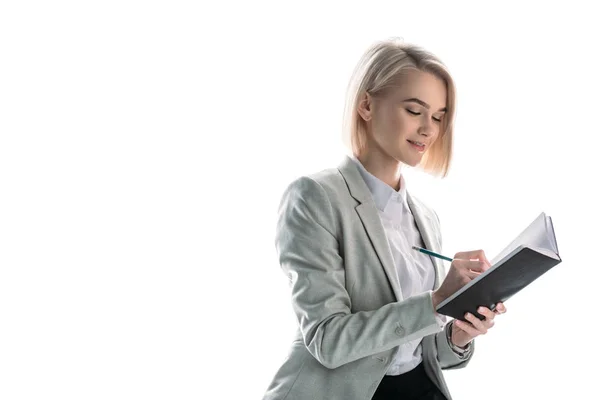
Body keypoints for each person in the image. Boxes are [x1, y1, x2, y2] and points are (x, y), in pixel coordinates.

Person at [262, 38, 507, 400]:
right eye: (414, 110)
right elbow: (327, 340)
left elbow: (411, 351)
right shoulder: (315, 197)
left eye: (439, 117)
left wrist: (458, 332)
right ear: (366, 105)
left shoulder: (426, 218)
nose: (429, 129)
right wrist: (436, 301)